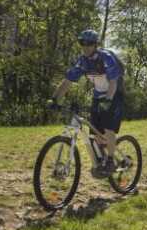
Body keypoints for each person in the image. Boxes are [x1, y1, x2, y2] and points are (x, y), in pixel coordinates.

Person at [48, 30, 125, 178]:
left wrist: (108, 100)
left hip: (114, 94)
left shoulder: (106, 57)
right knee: (95, 131)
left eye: (89, 43)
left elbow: (114, 82)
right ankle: (101, 159)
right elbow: (67, 81)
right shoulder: (82, 61)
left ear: (95, 45)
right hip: (98, 96)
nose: (86, 46)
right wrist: (55, 99)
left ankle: (110, 160)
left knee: (108, 127)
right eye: (82, 43)